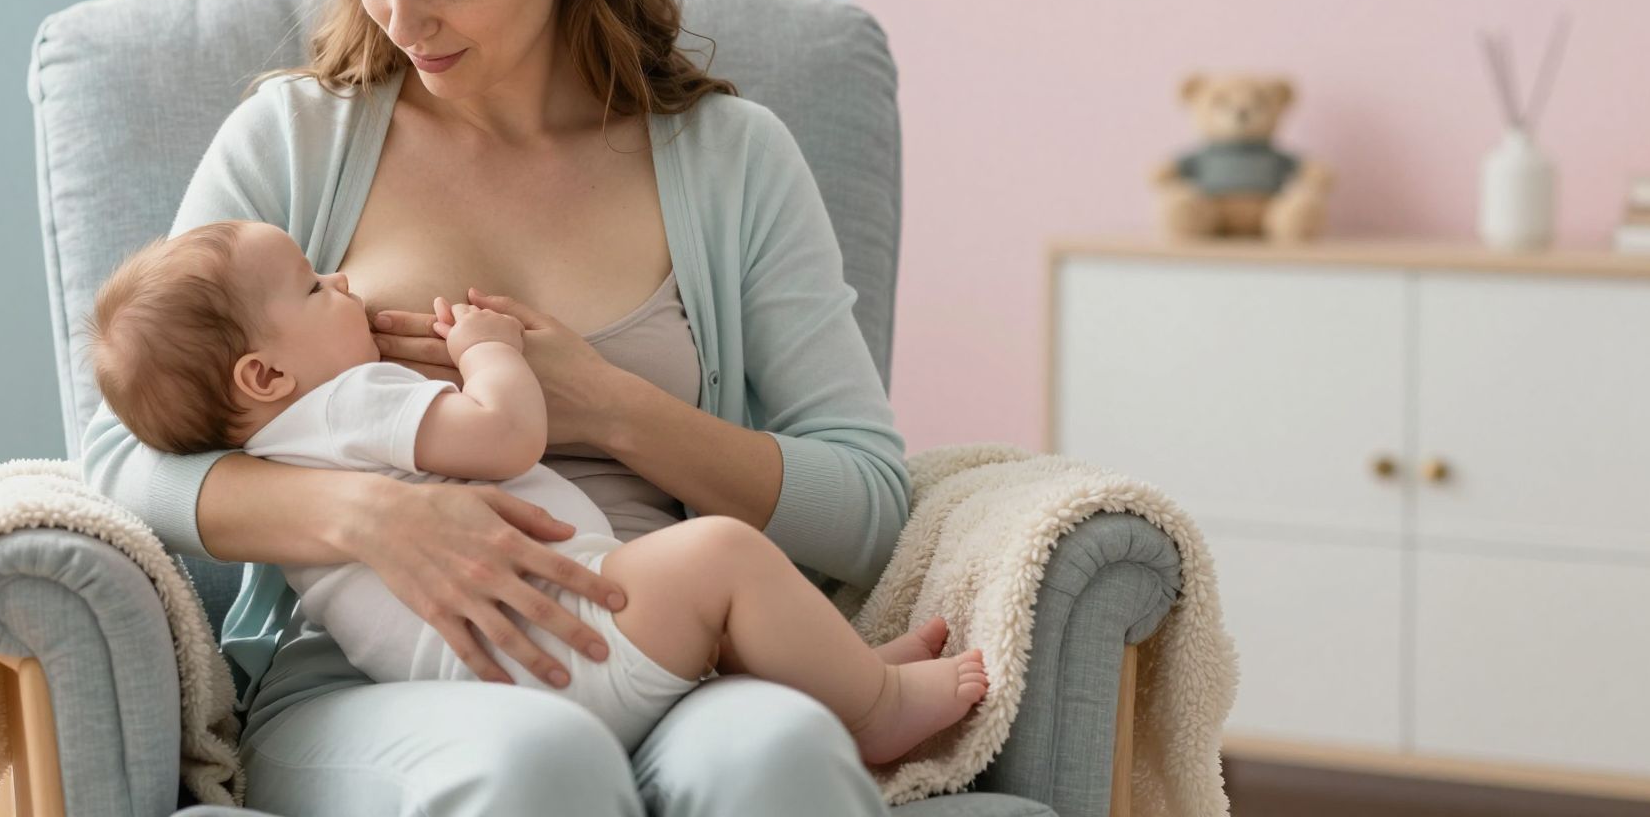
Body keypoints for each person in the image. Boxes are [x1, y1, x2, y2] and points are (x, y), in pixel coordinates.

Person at [83, 0, 917, 815]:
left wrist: (612, 409)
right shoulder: (295, 143)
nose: (402, 18)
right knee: (536, 764)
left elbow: (866, 501)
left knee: (783, 757)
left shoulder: (731, 162)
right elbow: (120, 458)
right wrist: (367, 519)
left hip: (660, 640)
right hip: (383, 674)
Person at [89, 219, 985, 760]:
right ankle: (874, 711)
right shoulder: (346, 406)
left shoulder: (288, 436)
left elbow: (866, 493)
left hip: (513, 667)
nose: (345, 283)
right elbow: (506, 434)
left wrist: (615, 405)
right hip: (558, 649)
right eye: (316, 286)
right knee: (722, 554)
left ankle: (845, 677)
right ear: (263, 376)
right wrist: (489, 353)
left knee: (709, 596)